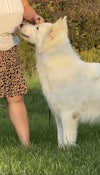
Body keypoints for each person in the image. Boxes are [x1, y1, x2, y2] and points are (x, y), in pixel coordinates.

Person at [0, 0, 44, 145]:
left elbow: (25, 7)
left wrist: (34, 17)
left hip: (8, 47)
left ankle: (26, 145)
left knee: (16, 96)